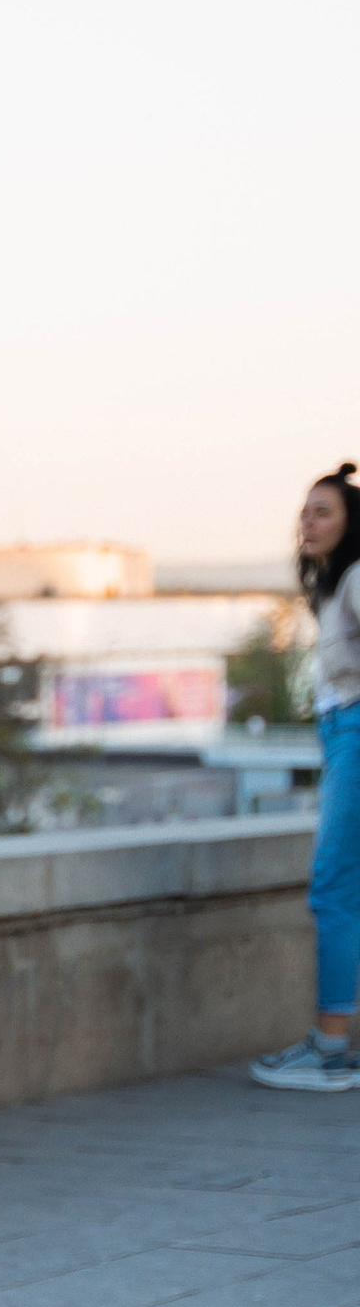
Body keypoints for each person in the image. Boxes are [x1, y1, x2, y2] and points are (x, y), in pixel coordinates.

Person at [250, 466, 360, 1092]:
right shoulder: (338, 585)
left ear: (351, 522)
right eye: (306, 511)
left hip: (356, 732)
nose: (308, 521)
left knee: (334, 889)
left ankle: (330, 1050)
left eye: (323, 511)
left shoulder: (357, 579)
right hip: (344, 730)